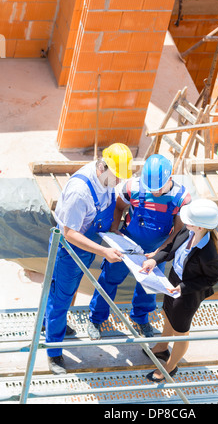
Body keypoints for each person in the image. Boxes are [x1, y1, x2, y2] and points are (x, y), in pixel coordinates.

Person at [45, 143, 133, 375]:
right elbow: (70, 233)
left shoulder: (106, 179)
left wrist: (114, 231)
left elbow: (111, 203)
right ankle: (53, 351)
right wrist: (104, 251)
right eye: (117, 177)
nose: (119, 182)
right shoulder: (80, 192)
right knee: (61, 296)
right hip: (70, 249)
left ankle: (50, 324)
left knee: (70, 290)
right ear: (103, 168)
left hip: (88, 244)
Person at [87, 154, 191, 339]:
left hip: (156, 250)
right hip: (126, 246)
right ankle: (96, 317)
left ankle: (141, 318)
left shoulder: (181, 198)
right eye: (150, 188)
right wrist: (114, 230)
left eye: (158, 188)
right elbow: (119, 208)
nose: (154, 192)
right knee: (108, 280)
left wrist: (158, 255)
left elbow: (177, 232)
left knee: (148, 288)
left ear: (170, 178)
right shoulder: (132, 188)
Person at [140, 198, 218, 382]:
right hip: (174, 280)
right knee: (167, 312)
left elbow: (212, 278)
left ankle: (170, 367)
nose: (184, 220)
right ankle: (161, 347)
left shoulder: (208, 253)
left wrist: (182, 288)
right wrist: (155, 259)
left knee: (181, 331)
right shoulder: (188, 230)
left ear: (200, 227)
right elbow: (171, 247)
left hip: (188, 293)